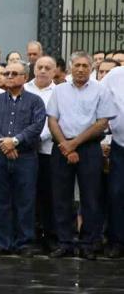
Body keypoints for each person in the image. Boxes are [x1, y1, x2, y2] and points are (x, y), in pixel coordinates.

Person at [47, 52, 116, 260]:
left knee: (91, 197)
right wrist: (66, 146)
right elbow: (52, 120)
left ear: (91, 68)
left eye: (85, 65)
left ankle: (88, 243)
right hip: (61, 147)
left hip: (89, 148)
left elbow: (102, 123)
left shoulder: (101, 90)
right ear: (70, 67)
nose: (81, 69)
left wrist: (74, 144)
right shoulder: (59, 91)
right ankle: (65, 242)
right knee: (61, 198)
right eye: (77, 65)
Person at [0, 61, 46, 257]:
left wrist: (16, 141)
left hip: (25, 157)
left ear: (24, 77)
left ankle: (24, 242)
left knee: (25, 200)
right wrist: (4, 143)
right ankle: (3, 241)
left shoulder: (35, 101)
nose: (8, 76)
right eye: (6, 73)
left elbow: (37, 126)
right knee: (0, 199)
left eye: (13, 73)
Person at [24, 56, 57, 252]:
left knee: (48, 195)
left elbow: (55, 121)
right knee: (28, 195)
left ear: (55, 71)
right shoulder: (24, 89)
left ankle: (50, 236)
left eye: (48, 68)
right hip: (23, 151)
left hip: (48, 150)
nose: (43, 70)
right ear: (33, 69)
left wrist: (38, 137)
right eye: (40, 67)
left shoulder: (59, 91)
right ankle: (31, 235)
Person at [100, 65, 124, 258]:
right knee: (116, 193)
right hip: (120, 145)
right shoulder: (115, 75)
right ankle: (117, 241)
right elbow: (101, 105)